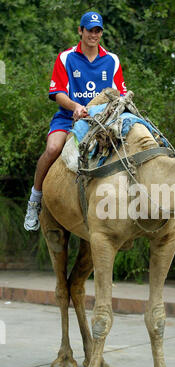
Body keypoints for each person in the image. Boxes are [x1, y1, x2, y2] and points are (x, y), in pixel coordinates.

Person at [24, 11, 127, 231]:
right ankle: (34, 201)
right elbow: (58, 93)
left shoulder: (112, 60)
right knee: (52, 148)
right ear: (80, 31)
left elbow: (120, 93)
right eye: (89, 30)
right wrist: (75, 107)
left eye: (97, 30)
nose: (94, 34)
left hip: (101, 122)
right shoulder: (66, 57)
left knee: (129, 149)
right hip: (68, 118)